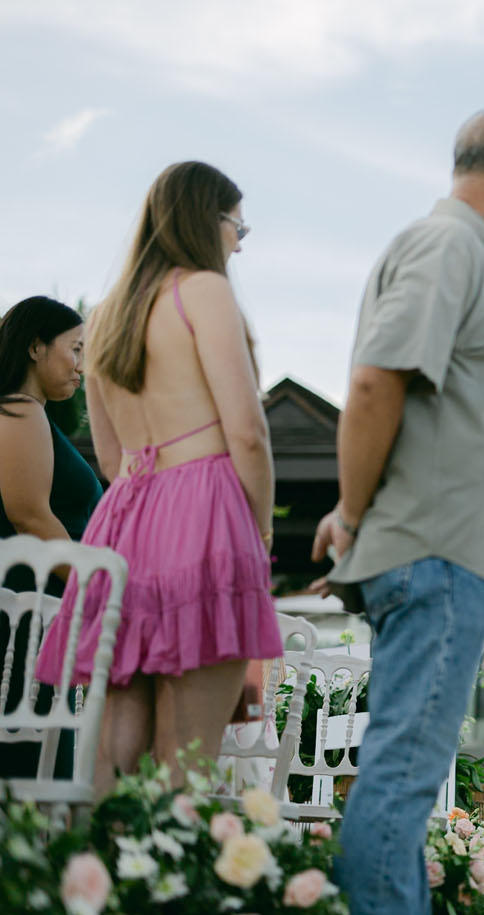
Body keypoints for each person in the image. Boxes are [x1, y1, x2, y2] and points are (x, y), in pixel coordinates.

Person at [312, 107, 484, 915]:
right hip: (435, 557)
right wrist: (350, 511)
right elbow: (376, 380)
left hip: (446, 559)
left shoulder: (455, 254)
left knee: (400, 784)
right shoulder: (450, 248)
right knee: (402, 783)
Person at [34, 161, 282, 796]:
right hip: (203, 508)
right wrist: (255, 534)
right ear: (207, 218)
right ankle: (165, 887)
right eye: (237, 223)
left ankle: (97, 881)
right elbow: (247, 432)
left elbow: (111, 458)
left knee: (116, 744)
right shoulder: (205, 290)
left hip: (124, 521)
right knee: (187, 753)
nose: (241, 238)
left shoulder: (109, 313)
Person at [0, 296, 104, 778]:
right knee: (31, 777)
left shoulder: (31, 414)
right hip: (23, 618)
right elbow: (32, 519)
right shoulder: (20, 412)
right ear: (36, 347)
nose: (81, 366)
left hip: (39, 615)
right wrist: (103, 588)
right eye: (75, 348)